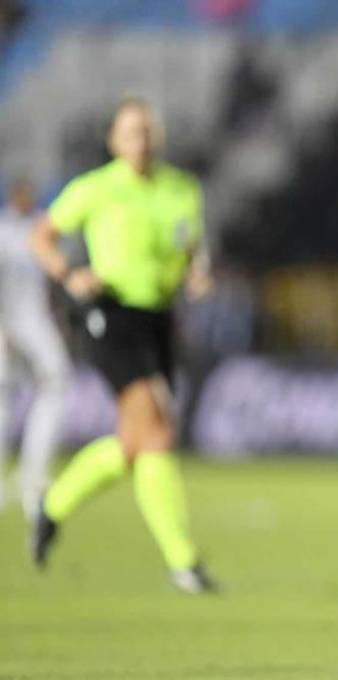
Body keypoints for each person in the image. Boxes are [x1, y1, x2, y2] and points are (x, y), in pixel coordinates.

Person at [28, 96, 217, 593]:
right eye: (132, 132)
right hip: (106, 314)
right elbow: (41, 237)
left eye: (148, 130)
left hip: (157, 318)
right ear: (114, 140)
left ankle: (52, 506)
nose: (142, 140)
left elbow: (192, 247)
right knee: (156, 429)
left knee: (137, 443)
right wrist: (70, 274)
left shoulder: (181, 189)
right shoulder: (95, 188)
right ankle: (184, 562)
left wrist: (198, 274)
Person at [0, 178, 70, 521]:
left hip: (35, 323)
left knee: (55, 384)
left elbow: (54, 282)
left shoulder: (39, 229)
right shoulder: (4, 233)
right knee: (5, 398)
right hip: (8, 323)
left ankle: (33, 471)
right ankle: (22, 474)